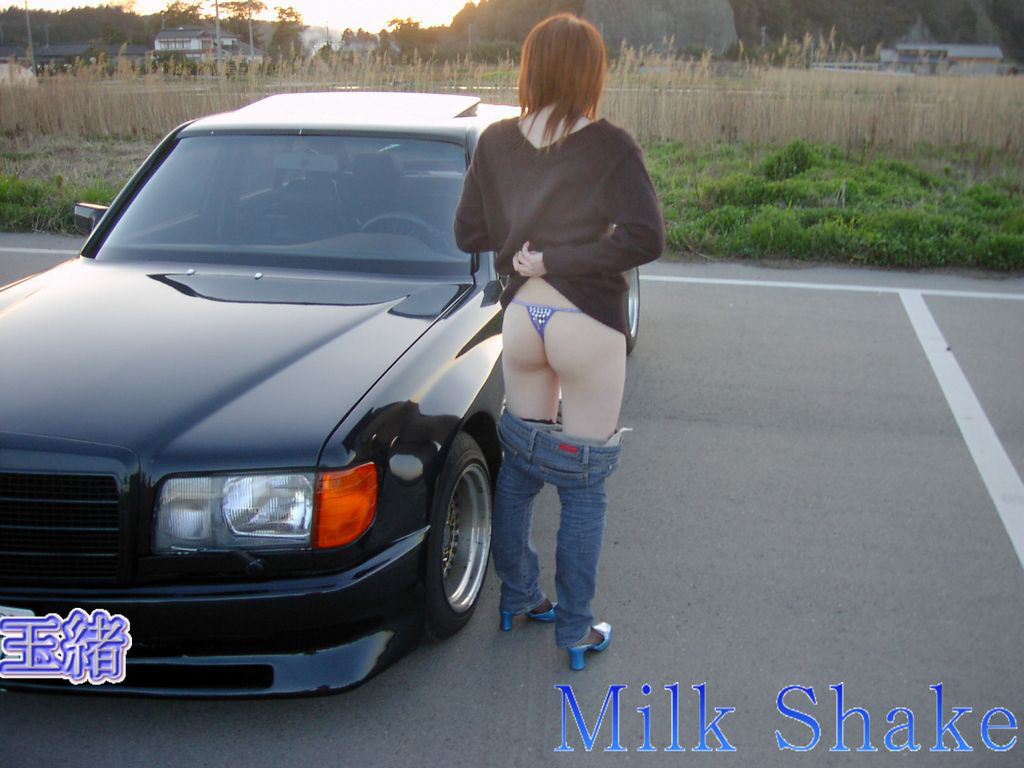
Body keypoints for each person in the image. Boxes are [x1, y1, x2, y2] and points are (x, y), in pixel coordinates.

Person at [454, 13, 664, 671]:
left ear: (532, 68)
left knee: (521, 463)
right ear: (590, 73)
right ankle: (574, 630)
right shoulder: (610, 145)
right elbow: (645, 237)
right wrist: (562, 258)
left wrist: (524, 244)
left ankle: (518, 597)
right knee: (583, 484)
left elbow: (468, 233)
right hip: (584, 321)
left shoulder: (494, 141)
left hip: (523, 319)